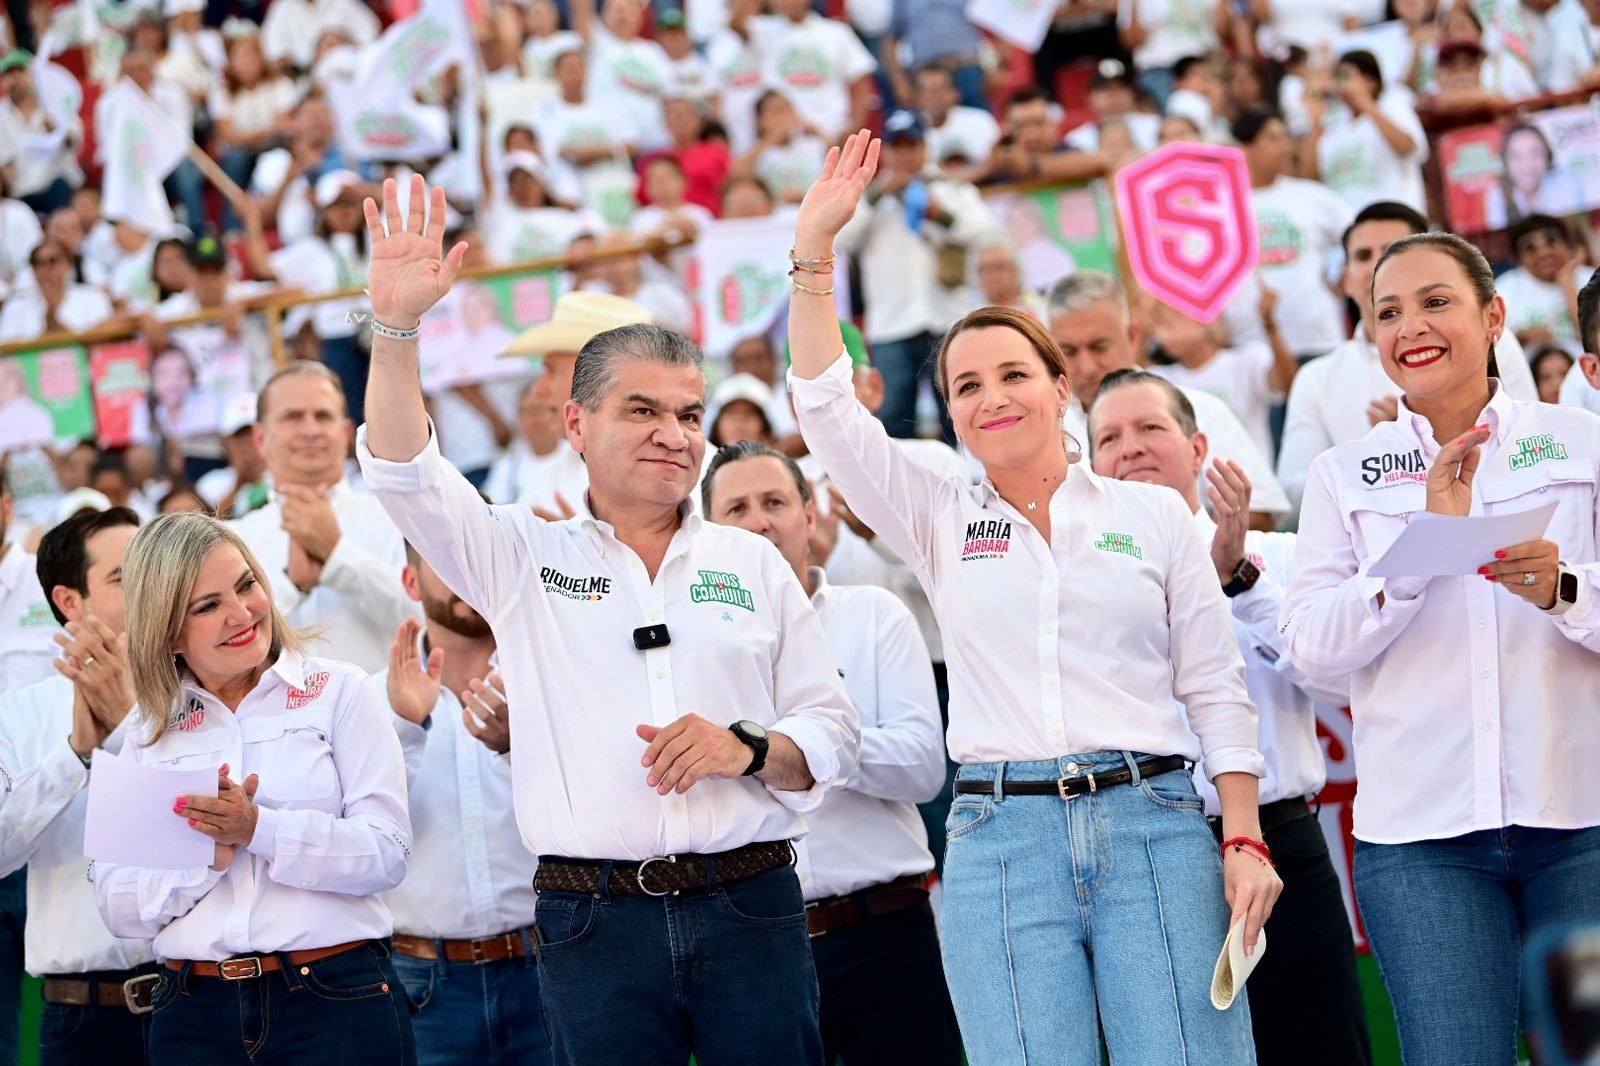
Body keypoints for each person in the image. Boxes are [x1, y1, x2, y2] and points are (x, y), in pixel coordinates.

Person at [787, 132, 1278, 1064]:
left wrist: (1244, 838)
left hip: (1156, 825)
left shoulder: (1154, 515)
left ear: (1062, 388)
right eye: (965, 385)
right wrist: (816, 250)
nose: (991, 397)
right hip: (998, 840)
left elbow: (1217, 688)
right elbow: (822, 407)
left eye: (1014, 373)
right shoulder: (932, 509)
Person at [357, 174, 859, 1064]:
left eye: (689, 413)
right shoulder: (521, 557)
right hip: (591, 922)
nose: (674, 432)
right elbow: (404, 472)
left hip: (752, 905)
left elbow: (831, 731)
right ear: (576, 424)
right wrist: (396, 334)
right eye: (644, 410)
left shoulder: (751, 562)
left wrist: (745, 747)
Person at [1281, 232, 1600, 1066]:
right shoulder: (1343, 475)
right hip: (1422, 846)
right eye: (1387, 311)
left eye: (1434, 302)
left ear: (1493, 316)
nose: (1410, 326)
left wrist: (1565, 591)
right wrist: (1414, 560)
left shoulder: (1580, 442)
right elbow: (1310, 652)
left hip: (1581, 824)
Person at [1087, 371, 1373, 1066]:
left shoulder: (1278, 557)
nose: (1130, 449)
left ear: (1198, 446)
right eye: (1109, 439)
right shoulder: (1079, 586)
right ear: (1090, 467)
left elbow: (1338, 683)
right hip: (1149, 862)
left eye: (1150, 428)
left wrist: (1239, 579)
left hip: (1281, 847)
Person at [95, 511, 415, 1066]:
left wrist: (259, 828)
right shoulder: (146, 734)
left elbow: (388, 852)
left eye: (246, 585)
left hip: (336, 1000)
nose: (242, 613)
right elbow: (118, 905)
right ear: (168, 631)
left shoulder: (341, 691)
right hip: (191, 1014)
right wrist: (208, 859)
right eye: (208, 605)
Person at [702, 440, 962, 1064]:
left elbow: (924, 767)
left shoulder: (874, 616)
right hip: (756, 942)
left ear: (809, 514)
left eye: (774, 501)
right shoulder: (691, 649)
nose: (758, 520)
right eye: (736, 508)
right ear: (707, 532)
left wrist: (793, 748)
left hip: (884, 934)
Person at [376, 548, 549, 1066]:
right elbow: (364, 832)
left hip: (546, 968)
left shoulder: (550, 677)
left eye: (475, 554)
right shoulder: (371, 698)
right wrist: (406, 725)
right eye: (444, 559)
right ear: (411, 580)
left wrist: (519, 748)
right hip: (421, 985)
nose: (465, 575)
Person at [0, 508, 157, 1066]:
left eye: (153, 568)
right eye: (123, 577)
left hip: (203, 1002)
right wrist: (74, 757)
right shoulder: (21, 715)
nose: (150, 588)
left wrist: (132, 737)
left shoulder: (209, 693)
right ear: (70, 602)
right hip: (81, 1018)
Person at [1277, 201, 1537, 511]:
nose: (1379, 265)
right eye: (1363, 255)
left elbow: (1530, 441)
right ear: (1345, 279)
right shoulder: (1317, 378)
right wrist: (1387, 454)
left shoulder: (1490, 341)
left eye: (1392, 250)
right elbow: (1293, 491)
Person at [1046, 270, 1295, 523]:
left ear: (1132, 336)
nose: (1087, 366)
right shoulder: (1042, 432)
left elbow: (1257, 514)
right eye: (1069, 351)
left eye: (1100, 346)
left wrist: (1188, 546)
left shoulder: (1202, 410)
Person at [230, 361, 416, 675]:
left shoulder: (395, 518)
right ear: (260, 438)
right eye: (292, 416)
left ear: (345, 434)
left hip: (386, 719)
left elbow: (430, 621)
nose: (310, 430)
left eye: (323, 416)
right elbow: (220, 644)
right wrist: (293, 585)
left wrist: (338, 556)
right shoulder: (234, 538)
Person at [836, 109, 994, 444]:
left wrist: (941, 215)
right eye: (898, 146)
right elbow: (842, 238)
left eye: (913, 145)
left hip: (948, 318)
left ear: (926, 146)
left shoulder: (949, 189)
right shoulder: (868, 196)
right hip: (892, 323)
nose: (906, 154)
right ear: (888, 151)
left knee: (959, 414)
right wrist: (878, 195)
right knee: (893, 418)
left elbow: (984, 232)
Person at [1235, 109, 1354, 361]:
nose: (1286, 147)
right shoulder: (1225, 206)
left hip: (1317, 338)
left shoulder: (1311, 196)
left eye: (1285, 137)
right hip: (1253, 349)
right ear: (1246, 147)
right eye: (1273, 138)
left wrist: (1347, 273)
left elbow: (1358, 234)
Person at [1303, 50, 1429, 213]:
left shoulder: (1392, 106)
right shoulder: (1333, 127)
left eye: (1346, 76)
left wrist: (1365, 102)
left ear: (1371, 80)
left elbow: (1408, 147)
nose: (1340, 84)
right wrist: (1315, 122)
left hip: (1396, 218)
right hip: (1350, 227)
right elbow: (1310, 179)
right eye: (1337, 77)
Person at [1496, 214, 1595, 353]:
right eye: (1531, 248)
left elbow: (1592, 336)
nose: (1544, 253)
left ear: (1567, 245)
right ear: (1519, 258)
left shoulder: (1592, 279)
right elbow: (1491, 344)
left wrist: (1566, 282)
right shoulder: (1504, 289)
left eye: (1551, 242)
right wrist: (1522, 336)